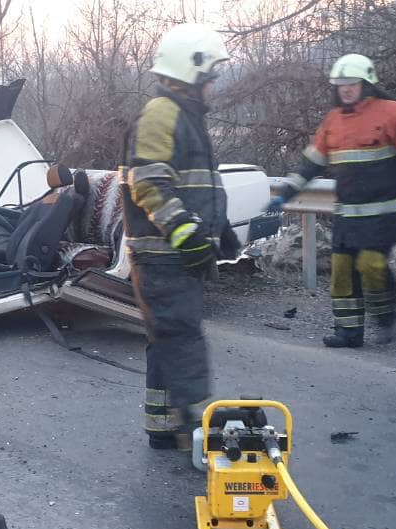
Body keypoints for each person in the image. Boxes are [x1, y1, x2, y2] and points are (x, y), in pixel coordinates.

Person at [122, 23, 237, 450]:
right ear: (192, 72)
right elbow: (149, 181)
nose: (213, 85)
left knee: (167, 337)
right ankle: (197, 430)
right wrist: (187, 234)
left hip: (170, 254)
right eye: (210, 77)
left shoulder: (184, 116)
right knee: (183, 336)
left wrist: (220, 230)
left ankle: (162, 424)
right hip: (164, 255)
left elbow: (195, 185)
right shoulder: (162, 112)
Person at [268, 53, 396, 347]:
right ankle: (349, 332)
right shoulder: (333, 120)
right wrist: (285, 194)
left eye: (352, 83)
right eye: (341, 84)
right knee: (342, 271)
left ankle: (386, 316)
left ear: (366, 84)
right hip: (348, 216)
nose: (346, 89)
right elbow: (310, 164)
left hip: (383, 213)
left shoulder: (391, 112)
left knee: (371, 265)